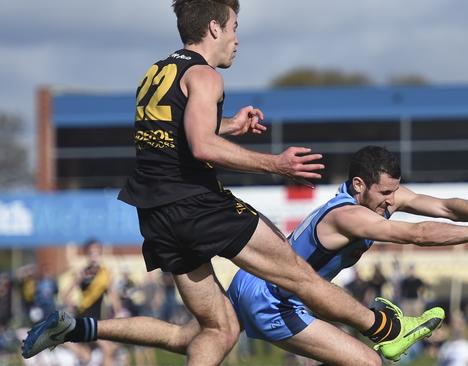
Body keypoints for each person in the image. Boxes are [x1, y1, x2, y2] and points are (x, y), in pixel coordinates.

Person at [22, 2, 443, 365]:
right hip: (196, 204)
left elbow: (178, 134)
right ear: (214, 28)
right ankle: (388, 329)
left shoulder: (158, 72)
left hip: (154, 214)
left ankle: (77, 327)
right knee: (299, 275)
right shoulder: (206, 76)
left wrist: (230, 124)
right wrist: (276, 164)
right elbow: (201, 147)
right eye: (235, 28)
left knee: (217, 330)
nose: (237, 40)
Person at [226, 145, 468, 365]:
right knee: (368, 363)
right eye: (385, 193)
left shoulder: (377, 198)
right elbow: (418, 234)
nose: (391, 202)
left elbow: (445, 207)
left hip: (251, 278)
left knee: (199, 340)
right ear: (359, 185)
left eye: (394, 191)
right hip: (274, 301)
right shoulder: (347, 216)